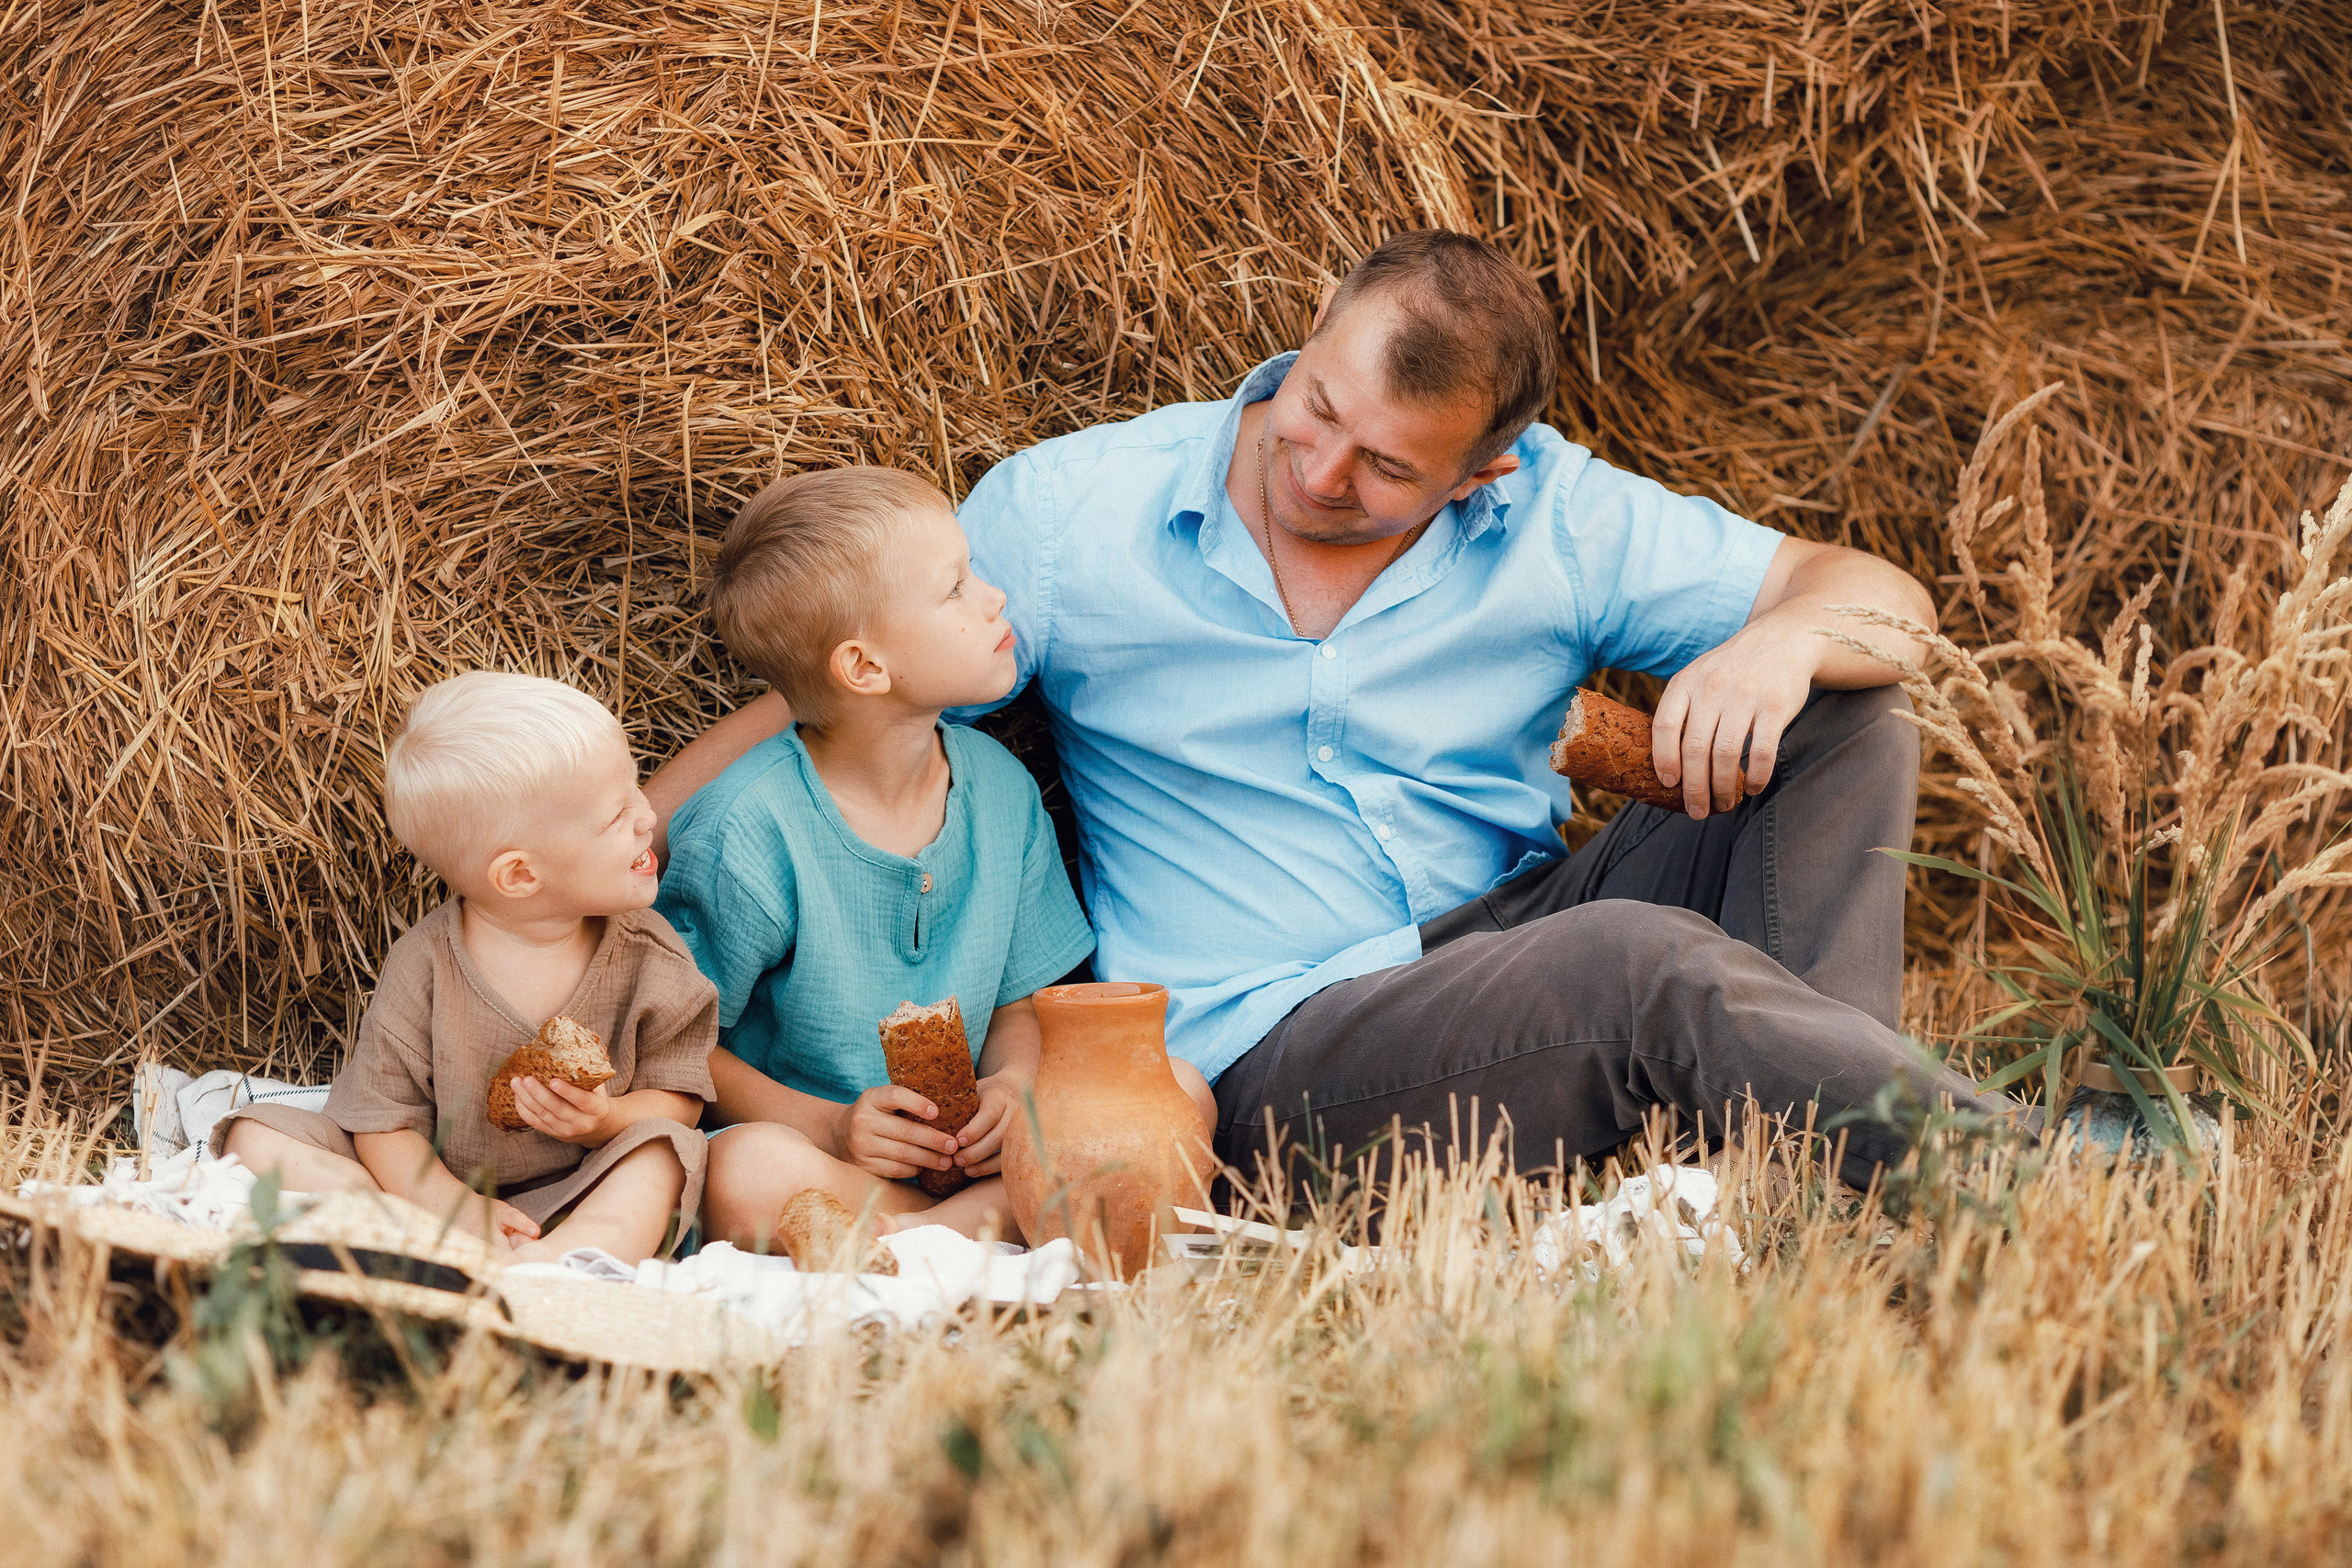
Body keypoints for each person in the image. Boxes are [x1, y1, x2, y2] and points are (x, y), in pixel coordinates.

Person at [650, 231, 2027, 1193]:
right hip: (1279, 1039)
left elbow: (1882, 602)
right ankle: (1985, 1163)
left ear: (1485, 472)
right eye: (1316, 409)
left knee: (1847, 711)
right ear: (1311, 328)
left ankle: (1813, 1161)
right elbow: (852, 685)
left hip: (1524, 940)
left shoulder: (1557, 515)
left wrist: (1784, 640)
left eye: (1386, 468)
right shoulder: (1073, 515)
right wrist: (628, 840)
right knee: (1635, 959)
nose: (1317, 472)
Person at [654, 467, 1213, 1247]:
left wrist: (1012, 1084)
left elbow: (1023, 1001)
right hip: (829, 1160)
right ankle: (991, 1228)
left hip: (975, 1161)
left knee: (1178, 1088)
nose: (995, 598)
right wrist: (833, 1125)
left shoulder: (999, 788)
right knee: (745, 1172)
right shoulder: (745, 827)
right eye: (955, 589)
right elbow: (678, 1045)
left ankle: (920, 1238)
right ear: (865, 667)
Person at [218, 671, 717, 1266]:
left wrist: (606, 1121)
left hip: (584, 1185)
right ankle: (413, 1232)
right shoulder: (425, 965)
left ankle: (558, 1263)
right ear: (520, 875)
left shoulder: (651, 955)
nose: (647, 815)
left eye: (636, 786)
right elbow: (383, 1121)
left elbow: (681, 1097)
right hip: (433, 1185)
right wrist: (451, 1205)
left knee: (663, 1151)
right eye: (616, 815)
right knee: (253, 1134)